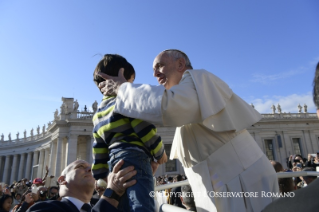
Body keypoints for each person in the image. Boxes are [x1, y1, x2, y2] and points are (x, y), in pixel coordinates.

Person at [98, 49, 279, 212]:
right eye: (154, 70)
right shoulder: (188, 99)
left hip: (242, 181)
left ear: (180, 64)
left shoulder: (198, 79)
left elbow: (169, 107)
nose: (154, 74)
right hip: (223, 186)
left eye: (159, 66)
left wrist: (123, 89)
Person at [92, 54, 167, 211]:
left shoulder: (98, 115)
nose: (131, 87)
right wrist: (160, 154)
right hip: (136, 157)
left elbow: (98, 150)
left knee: (125, 205)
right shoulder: (126, 101)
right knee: (142, 203)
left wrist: (100, 177)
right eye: (131, 83)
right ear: (120, 78)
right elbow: (145, 129)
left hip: (114, 163)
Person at [26, 159, 137, 212]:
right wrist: (112, 194)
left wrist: (141, 178)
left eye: (91, 168)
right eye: (80, 166)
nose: (90, 169)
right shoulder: (45, 209)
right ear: (62, 180)